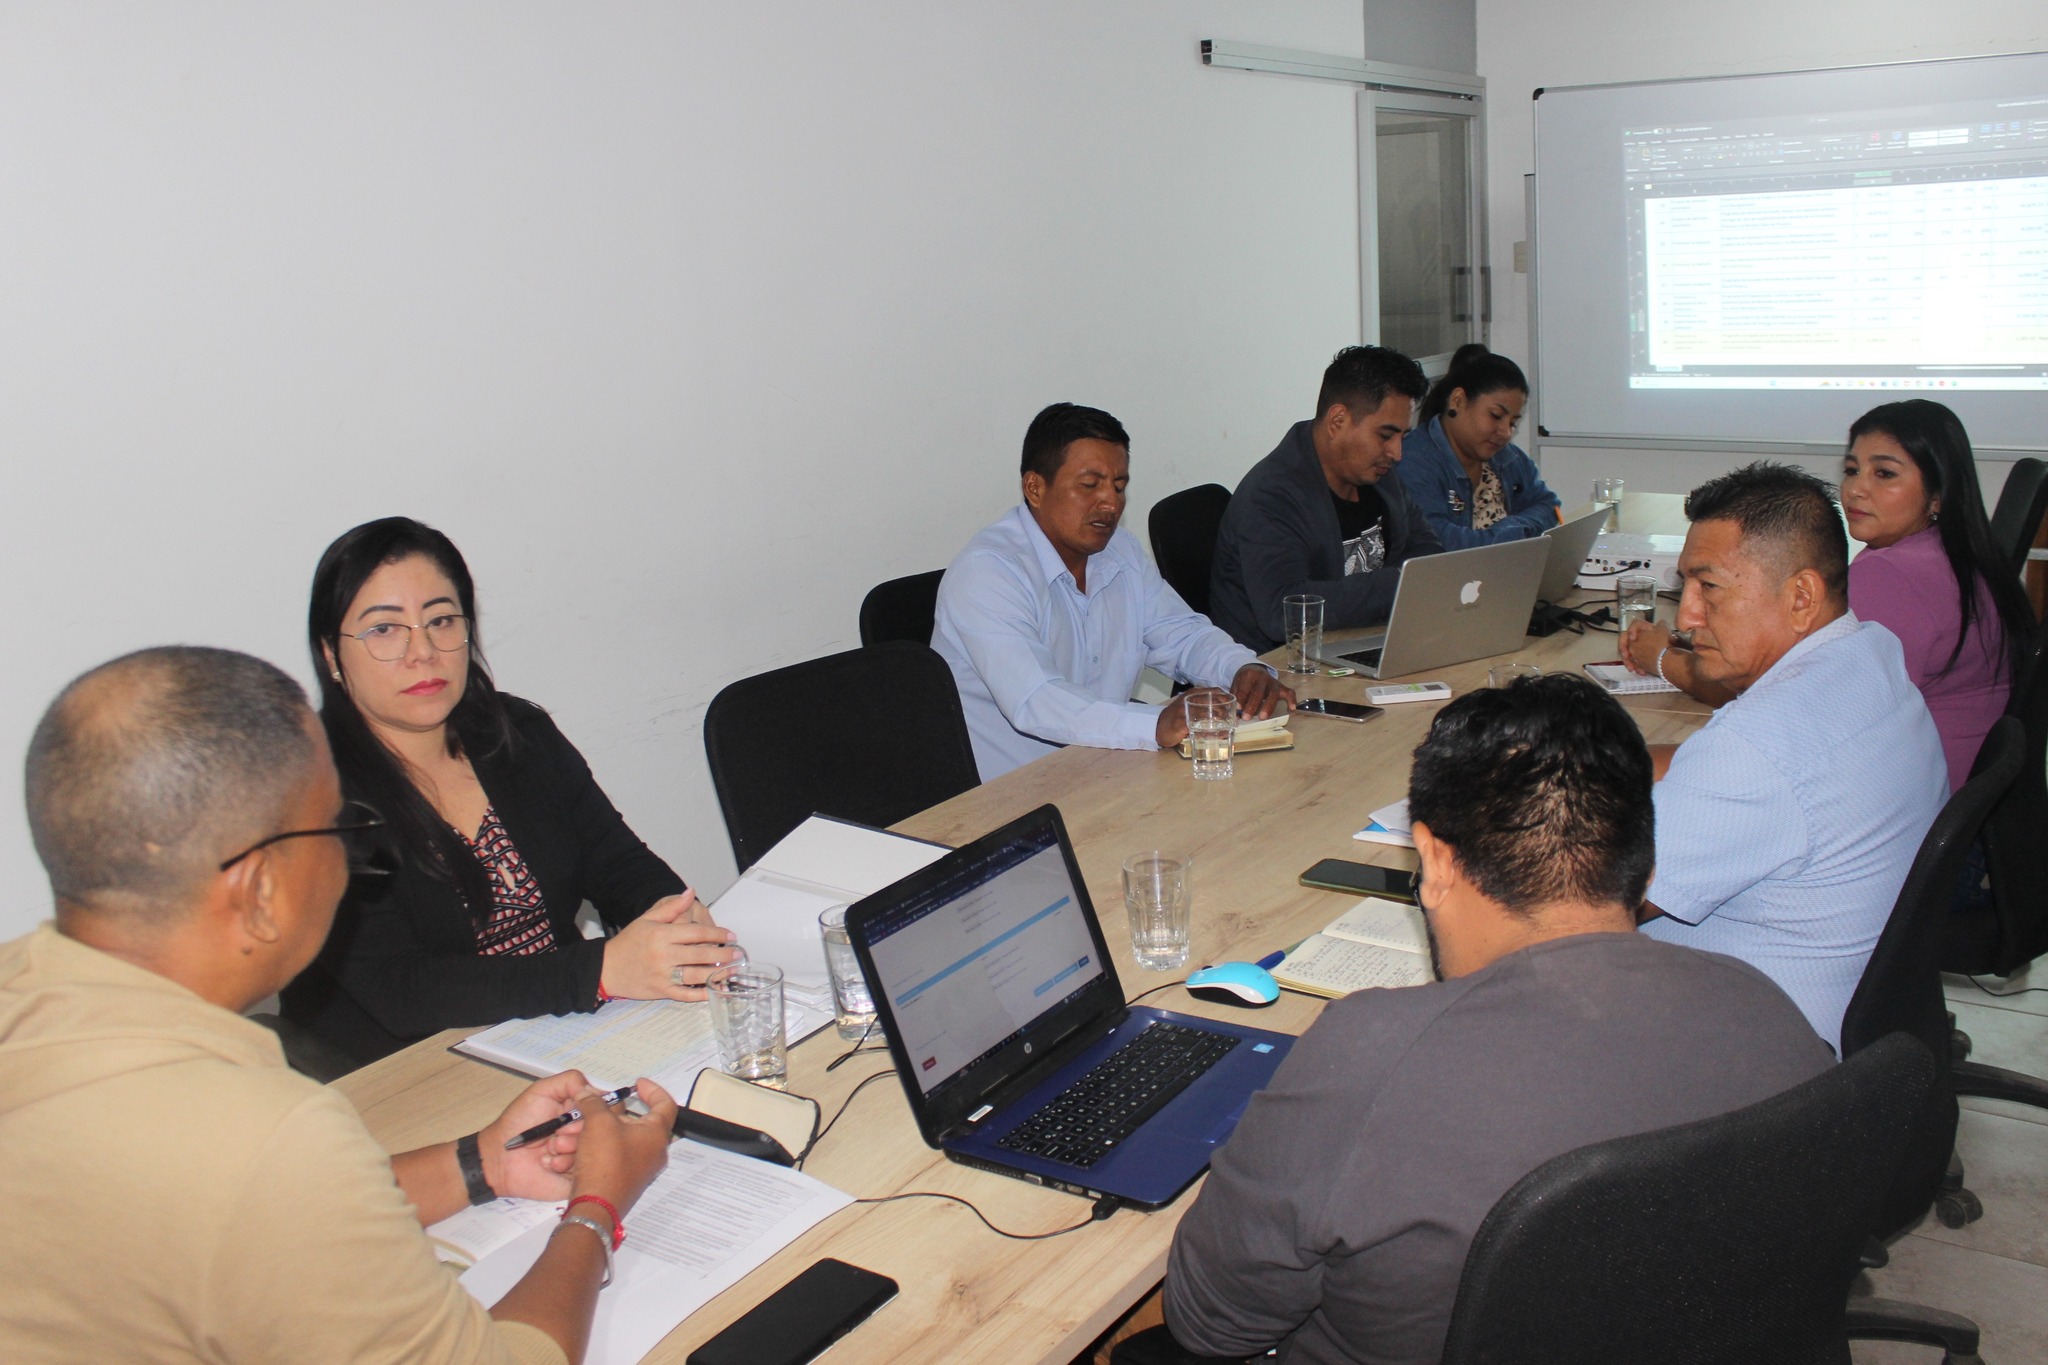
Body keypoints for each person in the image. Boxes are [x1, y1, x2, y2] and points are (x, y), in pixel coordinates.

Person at [1, 646, 678, 1364]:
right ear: (260, 891)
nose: (352, 860)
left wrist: (481, 1162)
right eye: (337, 827)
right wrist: (597, 1207)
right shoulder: (269, 1136)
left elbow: (254, 1211)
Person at [1151, 676, 1832, 1365]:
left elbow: (1212, 1322)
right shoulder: (1770, 1015)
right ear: (1647, 866)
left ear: (1434, 860)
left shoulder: (1371, 1056)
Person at [281, 517, 737, 1064]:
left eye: (441, 621)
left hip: (560, 1034)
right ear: (331, 655)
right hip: (408, 1071)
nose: (422, 651)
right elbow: (401, 989)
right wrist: (600, 970)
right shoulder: (309, 798)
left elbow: (616, 863)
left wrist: (672, 916)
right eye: (384, 629)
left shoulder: (517, 734)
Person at [1636, 463, 1947, 1052]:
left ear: (1801, 596)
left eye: (1709, 588)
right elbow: (1723, 764)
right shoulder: (1870, 652)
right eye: (1685, 587)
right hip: (1857, 1011)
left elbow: (1589, 906)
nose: (1686, 617)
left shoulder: (1755, 749)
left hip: (1751, 1046)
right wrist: (1589, 762)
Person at [933, 402, 1294, 781]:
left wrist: (1241, 667)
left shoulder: (1120, 551)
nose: (1110, 503)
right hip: (1014, 791)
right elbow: (1037, 700)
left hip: (1107, 769)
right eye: (1090, 485)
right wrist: (1155, 723)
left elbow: (1181, 633)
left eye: (1119, 486)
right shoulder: (988, 572)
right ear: (1035, 488)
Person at [1839, 400, 2031, 792]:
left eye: (1884, 473)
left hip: (1912, 795)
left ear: (1937, 494)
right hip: (1968, 794)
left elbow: (1845, 716)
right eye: (1852, 470)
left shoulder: (1888, 574)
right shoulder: (1963, 552)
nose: (1856, 489)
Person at [1209, 345, 1442, 653]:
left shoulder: (1378, 475)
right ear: (1337, 421)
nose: (1397, 453)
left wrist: (1409, 582)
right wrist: (1401, 584)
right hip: (1280, 667)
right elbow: (1283, 611)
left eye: (1403, 436)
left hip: (1359, 644)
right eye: (1385, 436)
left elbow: (1426, 549)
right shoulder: (1271, 496)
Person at [1395, 343, 1561, 548]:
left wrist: (1514, 527)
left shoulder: (1508, 457)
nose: (1506, 432)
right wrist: (1512, 535)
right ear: (1458, 401)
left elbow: (1549, 506)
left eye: (1513, 423)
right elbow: (1440, 544)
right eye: (1496, 416)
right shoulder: (1413, 461)